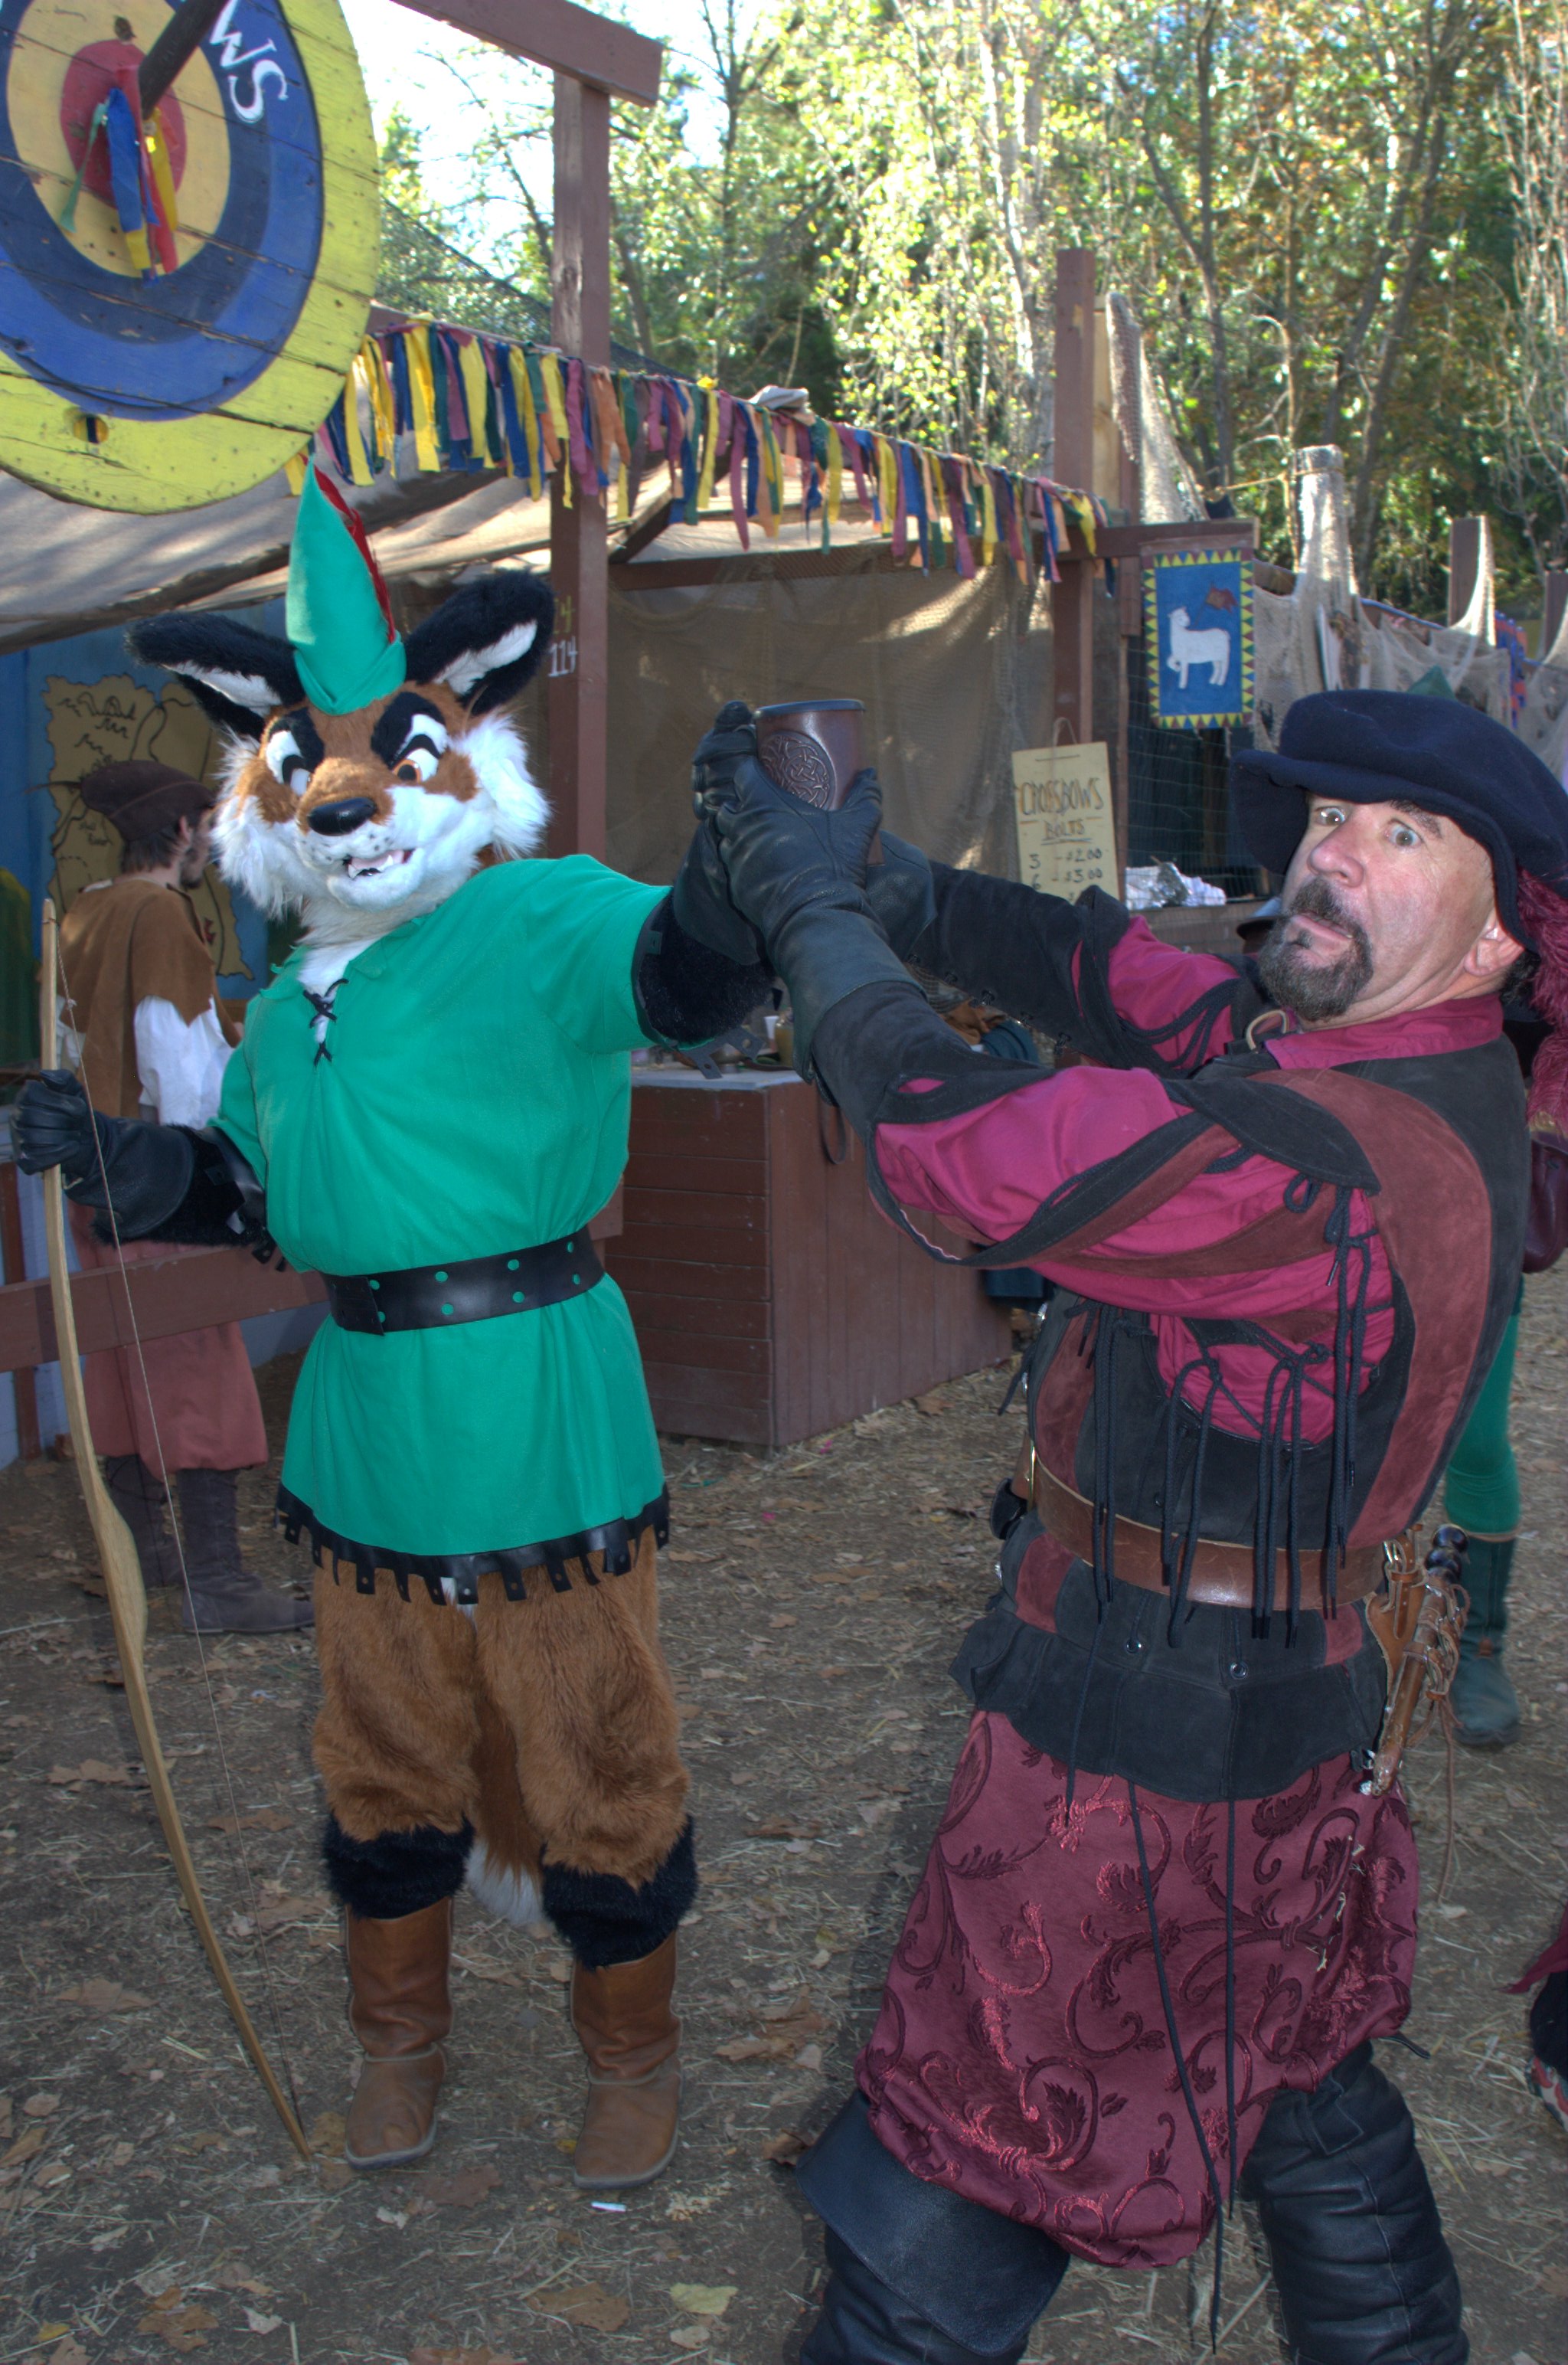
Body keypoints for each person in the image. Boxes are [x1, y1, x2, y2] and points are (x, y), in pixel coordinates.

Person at [675, 689, 1568, 2365]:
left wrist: (799, 899)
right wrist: (902, 888)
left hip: (1144, 1769)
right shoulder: (1405, 1061)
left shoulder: (1320, 1156)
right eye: (1326, 817)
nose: (1331, 854)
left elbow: (949, 1140)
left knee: (959, 2173)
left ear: (1499, 936)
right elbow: (1114, 975)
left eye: (1400, 836)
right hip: (1301, 1714)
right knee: (1296, 2078)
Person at [15, 468, 770, 2190]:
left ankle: (631, 2056)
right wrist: (119, 1160)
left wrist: (737, 885)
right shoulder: (288, 1008)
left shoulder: (536, 909)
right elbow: (247, 1189)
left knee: (593, 1734)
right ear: (268, 796)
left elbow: (682, 981)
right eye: (306, 767)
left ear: (461, 755)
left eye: (388, 755)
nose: (347, 798)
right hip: (362, 1423)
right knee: (380, 1744)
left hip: (538, 1403)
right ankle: (399, 2043)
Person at [54, 761, 308, 1635]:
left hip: (97, 1174)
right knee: (199, 1369)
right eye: (208, 827)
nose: (212, 846)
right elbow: (175, 1060)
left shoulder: (87, 908)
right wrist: (220, 1159)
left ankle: (147, 1556)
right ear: (181, 830)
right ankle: (216, 1583)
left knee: (127, 1360)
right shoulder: (158, 913)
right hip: (159, 1179)